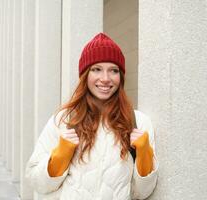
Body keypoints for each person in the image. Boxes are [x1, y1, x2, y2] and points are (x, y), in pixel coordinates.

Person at [26, 33, 158, 199]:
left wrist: (144, 153)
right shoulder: (64, 119)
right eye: (96, 69)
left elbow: (142, 192)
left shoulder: (139, 122)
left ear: (121, 77)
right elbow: (37, 183)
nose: (105, 79)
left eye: (113, 71)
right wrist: (59, 156)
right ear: (85, 75)